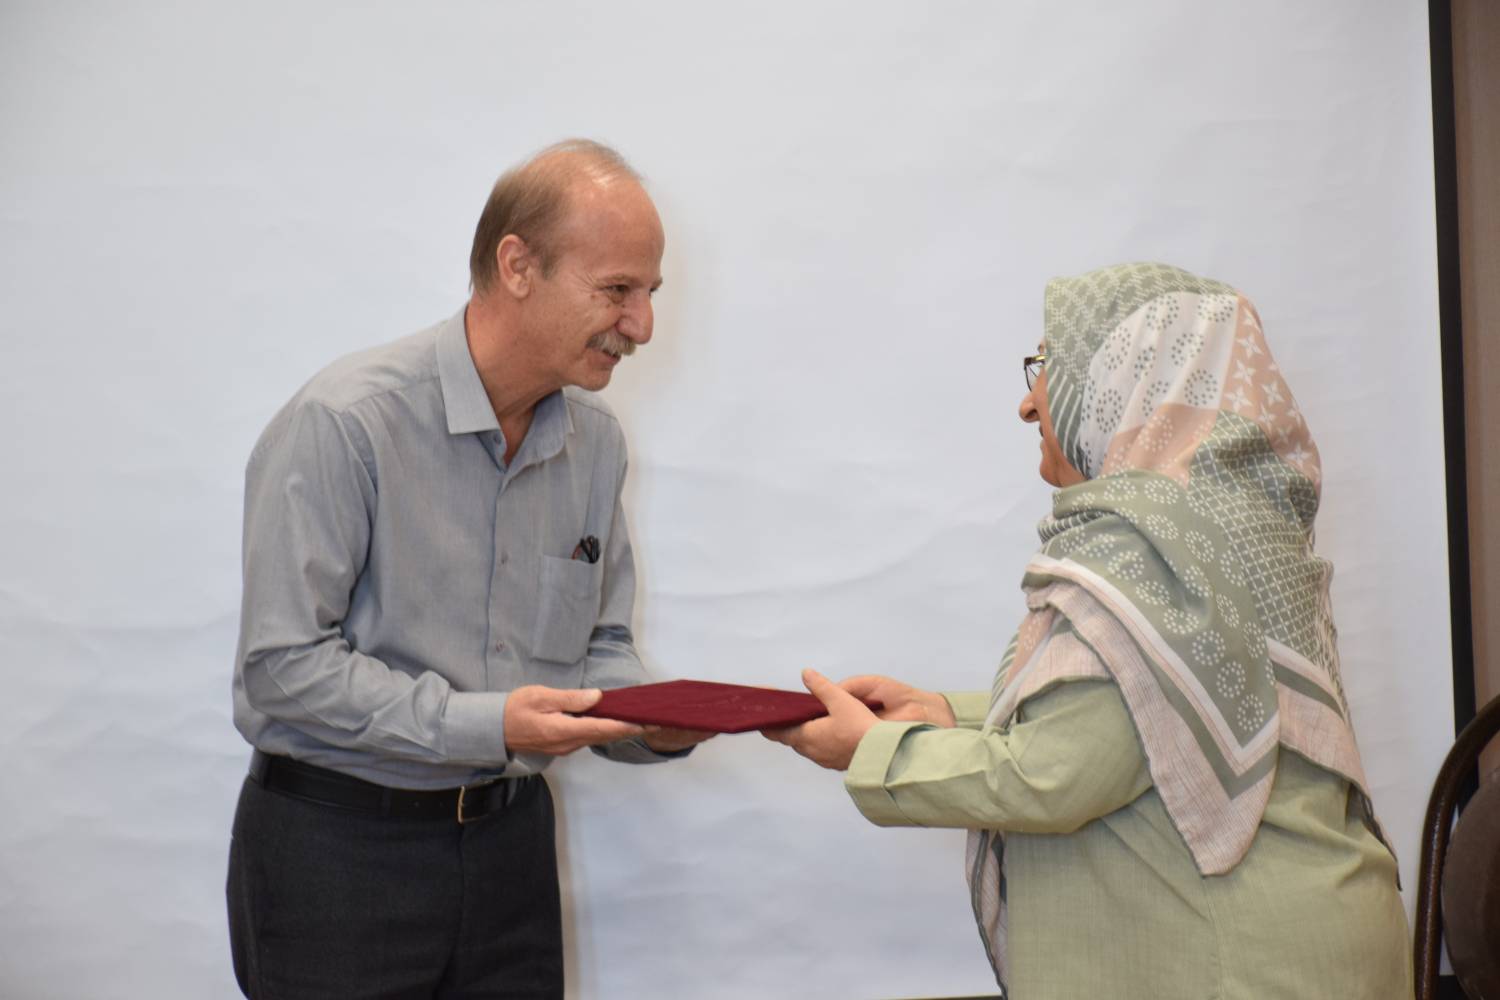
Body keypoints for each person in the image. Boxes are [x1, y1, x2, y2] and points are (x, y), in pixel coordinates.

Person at [766, 262, 1412, 998]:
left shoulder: (1153, 543)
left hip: (1244, 967)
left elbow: (1058, 775)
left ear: (1131, 379)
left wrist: (877, 752)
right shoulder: (1227, 519)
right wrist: (946, 714)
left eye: (1049, 365)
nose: (1028, 402)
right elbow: (1140, 706)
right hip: (1300, 943)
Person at [227, 139, 711, 999]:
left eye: (650, 293)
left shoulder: (596, 447)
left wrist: (650, 721)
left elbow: (599, 647)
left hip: (510, 857)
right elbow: (282, 667)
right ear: (517, 266)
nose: (642, 326)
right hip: (337, 859)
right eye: (617, 290)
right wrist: (491, 725)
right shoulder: (346, 424)